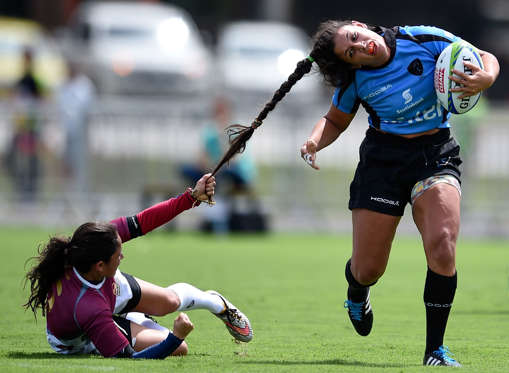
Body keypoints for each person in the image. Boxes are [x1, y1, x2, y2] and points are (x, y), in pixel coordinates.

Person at [211, 20, 499, 366]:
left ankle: (434, 350)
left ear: (359, 25)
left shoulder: (421, 38)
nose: (361, 46)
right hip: (382, 165)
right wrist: (315, 141)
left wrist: (487, 77)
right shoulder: (357, 81)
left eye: (355, 37)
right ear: (353, 64)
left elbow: (484, 57)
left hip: (435, 155)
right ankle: (356, 291)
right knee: (368, 269)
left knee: (442, 244)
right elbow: (334, 120)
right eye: (352, 53)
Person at [24, 173, 253, 358]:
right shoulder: (88, 307)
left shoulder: (93, 241)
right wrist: (176, 336)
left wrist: (192, 197)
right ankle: (132, 319)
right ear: (101, 266)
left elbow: (144, 221)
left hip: (102, 293)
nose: (122, 258)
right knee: (179, 349)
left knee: (170, 302)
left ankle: (215, 302)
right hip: (82, 339)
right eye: (118, 256)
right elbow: (128, 358)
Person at [4, 47, 44, 201]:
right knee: (14, 161)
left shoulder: (35, 81)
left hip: (31, 129)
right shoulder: (20, 80)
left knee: (31, 163)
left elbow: (42, 102)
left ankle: (31, 194)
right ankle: (21, 191)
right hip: (20, 129)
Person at [57, 59, 96, 198]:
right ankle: (67, 196)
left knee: (80, 165)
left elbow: (86, 109)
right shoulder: (63, 84)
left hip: (81, 132)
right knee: (66, 166)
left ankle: (81, 196)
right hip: (66, 132)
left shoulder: (84, 85)